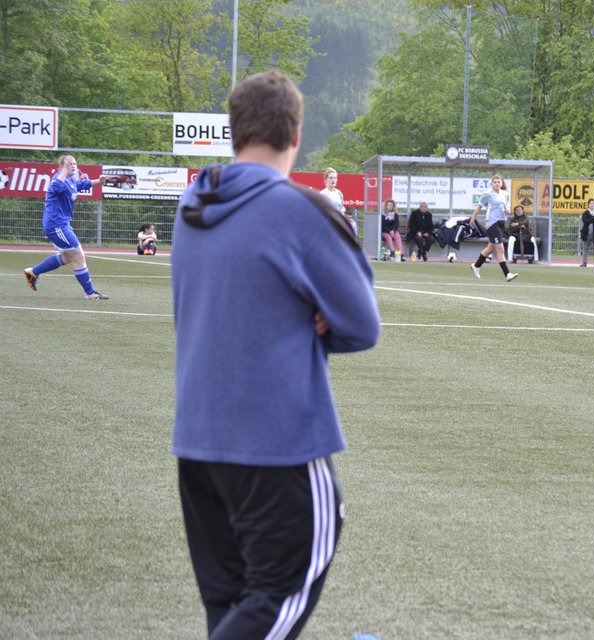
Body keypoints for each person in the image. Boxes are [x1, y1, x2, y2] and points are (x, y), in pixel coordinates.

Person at [170, 70, 381, 639]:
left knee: (233, 606)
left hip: (198, 446)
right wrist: (313, 317)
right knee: (276, 600)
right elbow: (361, 323)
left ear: (235, 131)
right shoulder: (300, 210)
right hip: (275, 444)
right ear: (297, 133)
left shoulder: (193, 204)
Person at [22, 155, 114, 300]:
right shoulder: (58, 180)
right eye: (70, 164)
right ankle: (90, 293)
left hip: (61, 224)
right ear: (63, 166)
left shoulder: (71, 181)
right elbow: (57, 187)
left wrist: (99, 181)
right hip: (56, 225)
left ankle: (33, 271)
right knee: (79, 256)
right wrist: (64, 169)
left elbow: (81, 185)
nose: (73, 166)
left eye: (75, 163)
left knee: (66, 257)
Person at [469, 174, 518, 281]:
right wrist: (473, 219)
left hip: (501, 223)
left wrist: (507, 211)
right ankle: (507, 274)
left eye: (498, 182)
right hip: (492, 223)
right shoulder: (487, 194)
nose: (497, 183)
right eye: (495, 182)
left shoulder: (505, 194)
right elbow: (479, 206)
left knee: (491, 248)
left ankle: (476, 266)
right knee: (500, 248)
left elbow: (507, 208)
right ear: (491, 184)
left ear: (502, 183)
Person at [320, 167, 355, 234]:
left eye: (335, 178)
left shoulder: (339, 193)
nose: (333, 180)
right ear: (326, 179)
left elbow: (342, 208)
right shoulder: (323, 194)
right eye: (331, 178)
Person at [579, 198, 594, 267]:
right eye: (590, 203)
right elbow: (584, 220)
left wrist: (589, 220)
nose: (591, 204)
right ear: (588, 205)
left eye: (593, 203)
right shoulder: (585, 212)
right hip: (586, 234)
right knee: (585, 249)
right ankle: (584, 263)